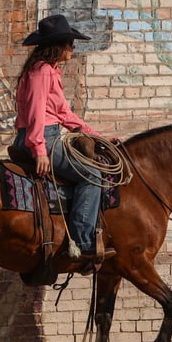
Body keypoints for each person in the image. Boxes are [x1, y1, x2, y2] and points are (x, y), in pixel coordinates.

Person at [13, 15, 116, 263]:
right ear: (59, 45)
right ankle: (83, 241)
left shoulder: (47, 71)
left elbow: (63, 114)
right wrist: (39, 149)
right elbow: (37, 111)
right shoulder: (42, 72)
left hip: (41, 134)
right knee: (92, 175)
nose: (72, 49)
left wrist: (97, 137)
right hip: (41, 137)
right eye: (70, 43)